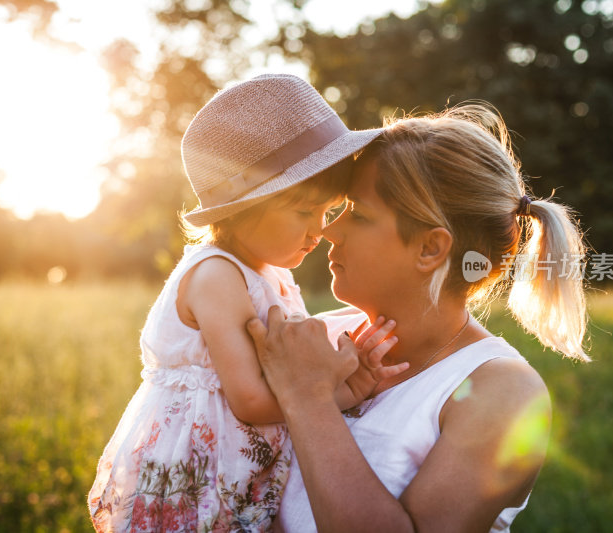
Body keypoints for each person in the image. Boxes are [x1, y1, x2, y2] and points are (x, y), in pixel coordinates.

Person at [246, 103, 590, 532]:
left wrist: (310, 399)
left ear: (431, 249)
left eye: (361, 214)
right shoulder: (322, 333)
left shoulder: (503, 392)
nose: (331, 231)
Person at [87, 74, 398, 532]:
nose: (320, 230)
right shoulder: (217, 275)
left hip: (242, 474)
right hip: (197, 478)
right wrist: (342, 391)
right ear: (245, 207)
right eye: (303, 212)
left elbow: (290, 368)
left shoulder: (271, 275)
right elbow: (251, 399)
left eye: (327, 212)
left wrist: (344, 375)